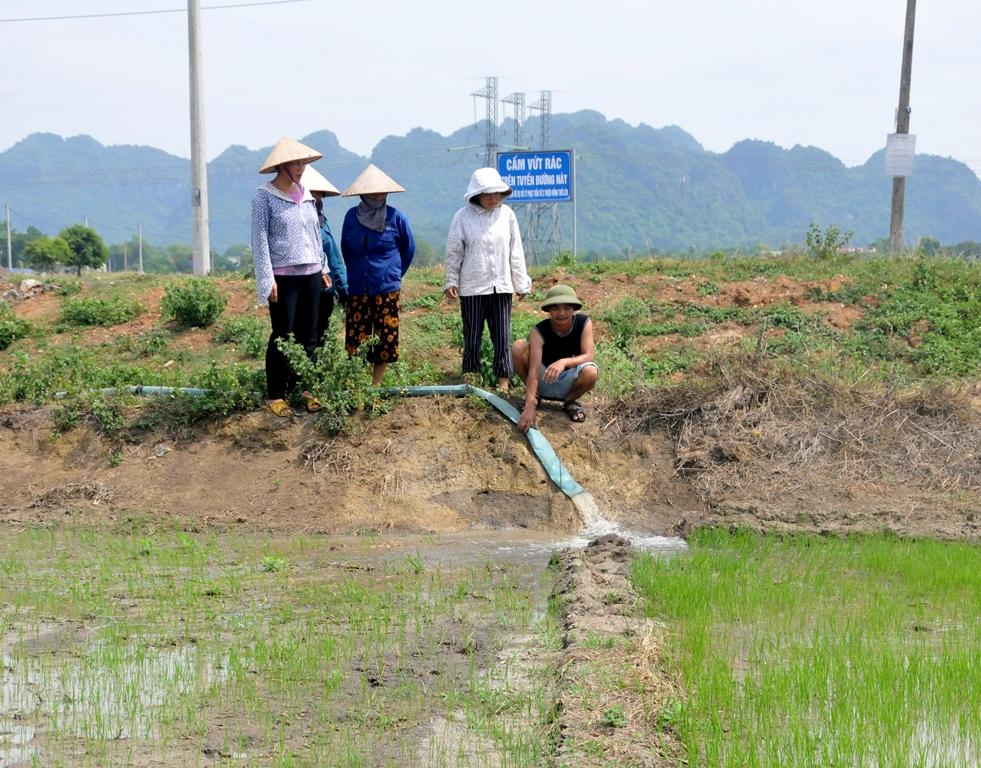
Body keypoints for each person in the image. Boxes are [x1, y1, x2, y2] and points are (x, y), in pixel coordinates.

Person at [251, 136, 331, 417]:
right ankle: (276, 394)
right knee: (283, 335)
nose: (300, 168)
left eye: (303, 163)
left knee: (310, 335)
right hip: (283, 277)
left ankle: (309, 390)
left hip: (310, 272)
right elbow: (259, 240)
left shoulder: (307, 194)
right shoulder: (265, 196)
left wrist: (322, 268)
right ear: (282, 166)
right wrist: (266, 279)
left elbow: (315, 234)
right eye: (295, 163)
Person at [444, 167, 531, 391]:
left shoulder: (507, 215)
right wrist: (451, 280)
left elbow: (515, 251)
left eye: (496, 193)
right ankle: (471, 379)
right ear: (476, 195)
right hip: (473, 286)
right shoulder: (462, 217)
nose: (492, 198)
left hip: (500, 285)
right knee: (472, 335)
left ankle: (503, 381)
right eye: (487, 194)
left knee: (502, 336)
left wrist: (521, 283)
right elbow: (454, 251)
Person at [339, 164, 415, 386]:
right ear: (363, 193)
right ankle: (358, 381)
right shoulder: (351, 218)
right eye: (373, 191)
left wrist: (394, 275)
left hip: (386, 288)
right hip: (357, 287)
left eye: (382, 191)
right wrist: (355, 273)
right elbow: (346, 248)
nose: (378, 195)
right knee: (357, 337)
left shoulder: (396, 218)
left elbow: (408, 249)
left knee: (384, 336)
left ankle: (376, 384)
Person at [512, 284, 598, 432]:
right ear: (549, 310)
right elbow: (533, 371)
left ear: (574, 309)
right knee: (518, 346)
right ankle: (536, 397)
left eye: (567, 308)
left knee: (591, 371)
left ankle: (569, 401)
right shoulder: (539, 331)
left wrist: (563, 362)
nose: (562, 313)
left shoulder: (583, 323)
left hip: (569, 381)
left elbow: (589, 355)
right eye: (556, 308)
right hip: (543, 379)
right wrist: (530, 405)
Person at [300, 164, 348, 346]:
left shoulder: (322, 221)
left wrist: (344, 289)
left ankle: (317, 372)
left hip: (325, 288)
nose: (316, 197)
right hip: (305, 286)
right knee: (306, 335)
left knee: (320, 335)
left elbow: (334, 257)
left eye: (319, 194)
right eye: (312, 193)